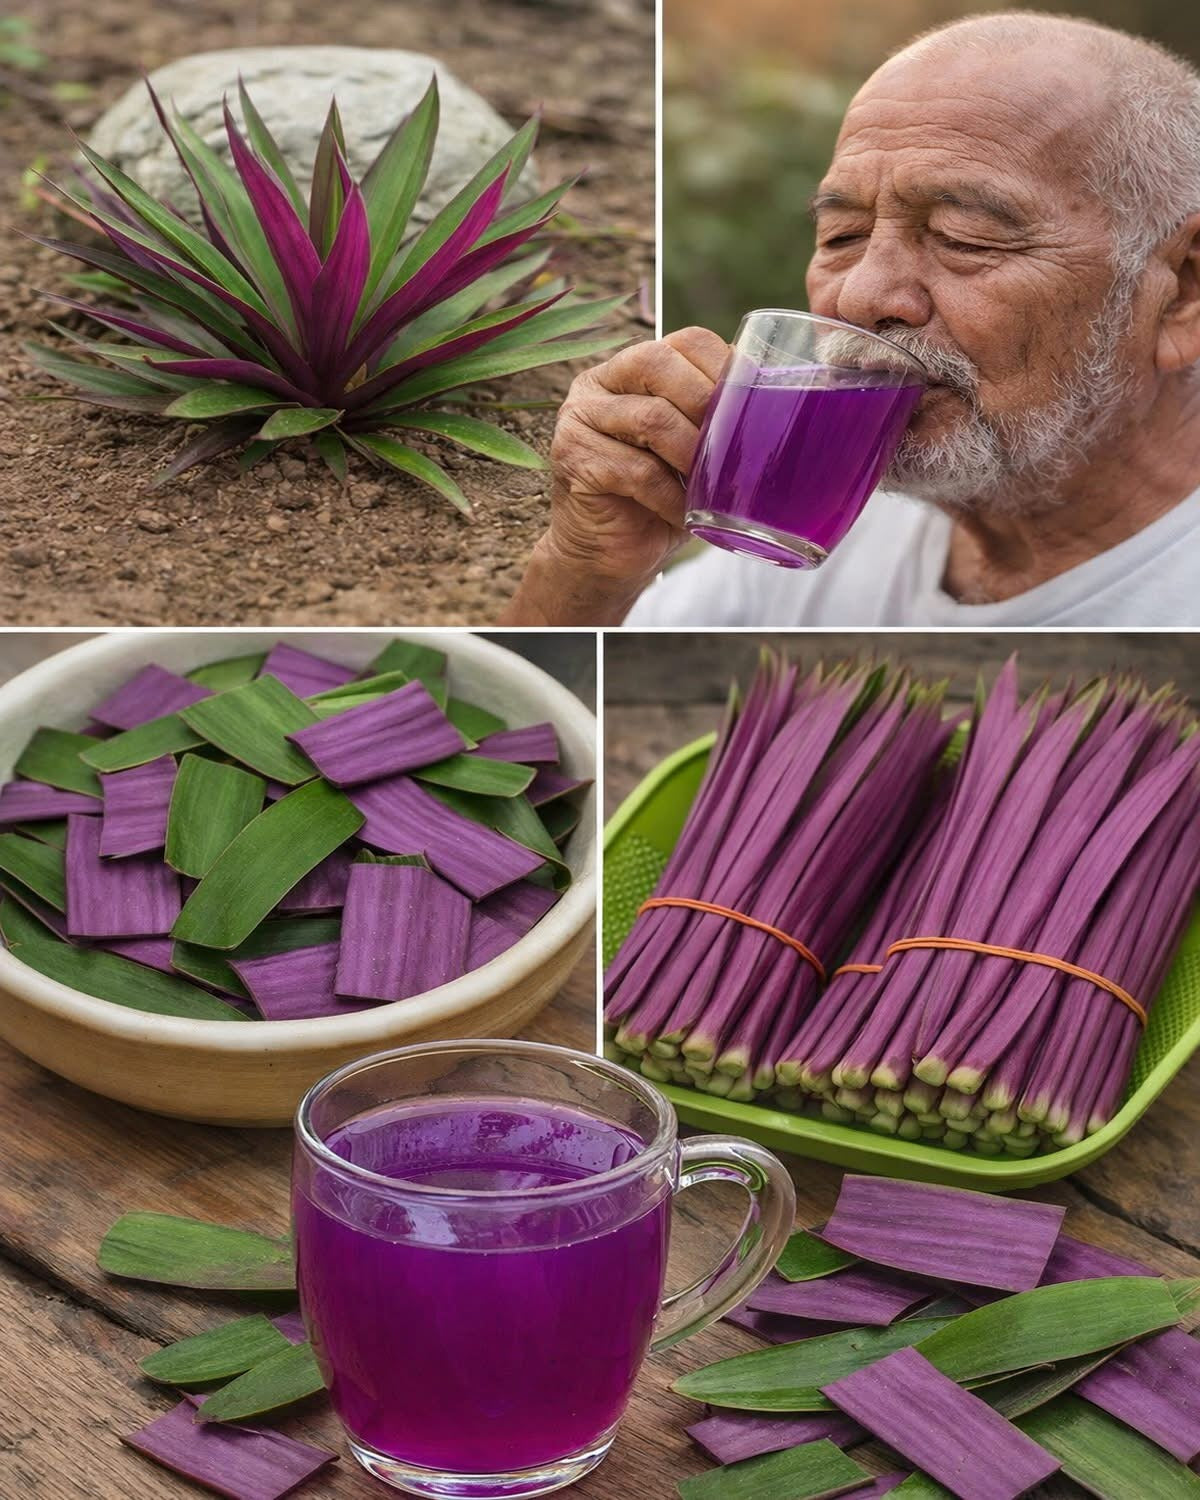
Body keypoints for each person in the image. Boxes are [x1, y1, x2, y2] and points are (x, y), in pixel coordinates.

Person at [501, 11, 1200, 627]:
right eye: (841, 237)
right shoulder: (817, 508)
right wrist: (585, 569)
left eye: (962, 237)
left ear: (1182, 292)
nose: (861, 297)